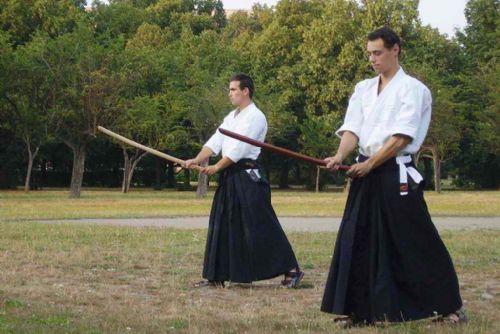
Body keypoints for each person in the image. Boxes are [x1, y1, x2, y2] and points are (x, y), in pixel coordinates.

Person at [321, 27, 466, 326]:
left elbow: (402, 137)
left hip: (395, 172)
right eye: (369, 54)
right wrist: (340, 156)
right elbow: (353, 130)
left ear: (395, 49)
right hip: (365, 170)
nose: (372, 59)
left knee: (415, 239)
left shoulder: (413, 89)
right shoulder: (363, 88)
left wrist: (371, 163)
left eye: (378, 53)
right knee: (358, 240)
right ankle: (360, 311)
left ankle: (449, 305)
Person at [185, 73, 303, 288]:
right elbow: (216, 141)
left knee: (259, 224)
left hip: (247, 176)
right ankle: (216, 276)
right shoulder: (232, 117)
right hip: (230, 176)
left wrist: (216, 167)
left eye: (233, 89)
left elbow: (240, 149)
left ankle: (292, 270)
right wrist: (198, 159)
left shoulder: (255, 117)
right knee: (223, 224)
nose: (229, 93)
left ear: (245, 91)